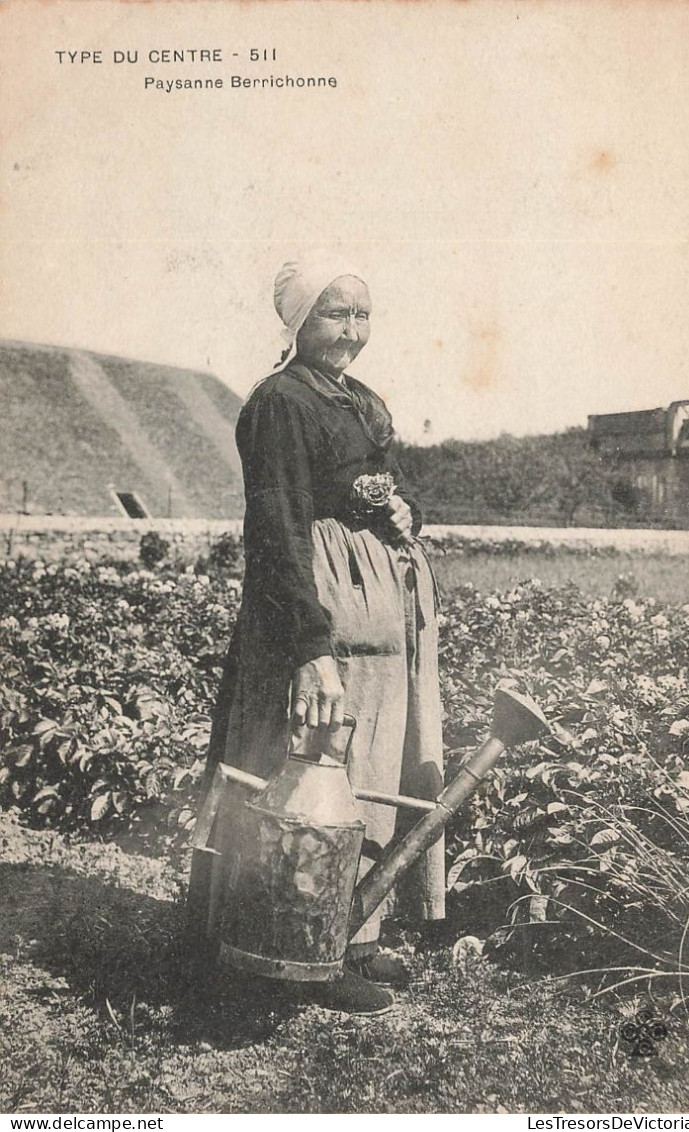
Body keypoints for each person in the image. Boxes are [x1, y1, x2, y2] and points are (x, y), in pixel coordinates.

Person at [188, 259, 445, 1015]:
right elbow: (275, 525)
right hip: (318, 608)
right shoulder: (279, 403)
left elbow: (387, 481)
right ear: (298, 321)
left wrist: (406, 513)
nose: (351, 331)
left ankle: (350, 932)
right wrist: (310, 648)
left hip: (377, 613)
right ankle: (292, 945)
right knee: (313, 762)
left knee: (369, 755)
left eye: (363, 315)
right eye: (336, 314)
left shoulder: (359, 401)